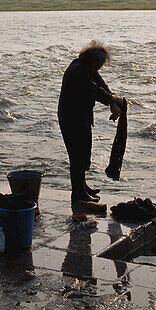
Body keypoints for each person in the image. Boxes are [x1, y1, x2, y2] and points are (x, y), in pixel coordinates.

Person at [58, 42, 125, 203]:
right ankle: (78, 193)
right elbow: (93, 89)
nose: (99, 69)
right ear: (92, 61)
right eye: (98, 65)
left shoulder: (87, 68)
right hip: (71, 118)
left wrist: (111, 102)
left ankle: (82, 186)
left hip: (82, 116)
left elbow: (101, 85)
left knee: (83, 152)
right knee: (77, 156)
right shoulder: (77, 71)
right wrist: (113, 99)